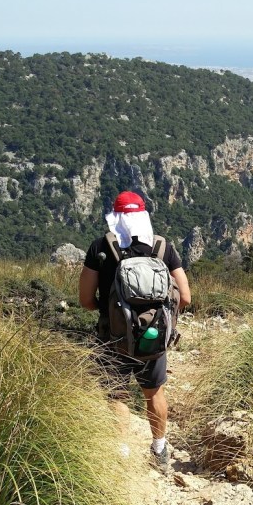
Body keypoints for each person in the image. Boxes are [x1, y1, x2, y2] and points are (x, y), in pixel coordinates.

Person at [78, 191, 192, 471]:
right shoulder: (163, 248)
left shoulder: (101, 247)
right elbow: (186, 297)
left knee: (117, 395)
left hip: (112, 338)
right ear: (143, 215)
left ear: (114, 217)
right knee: (154, 393)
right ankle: (160, 450)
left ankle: (122, 455)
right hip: (152, 337)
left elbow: (85, 300)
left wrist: (108, 311)